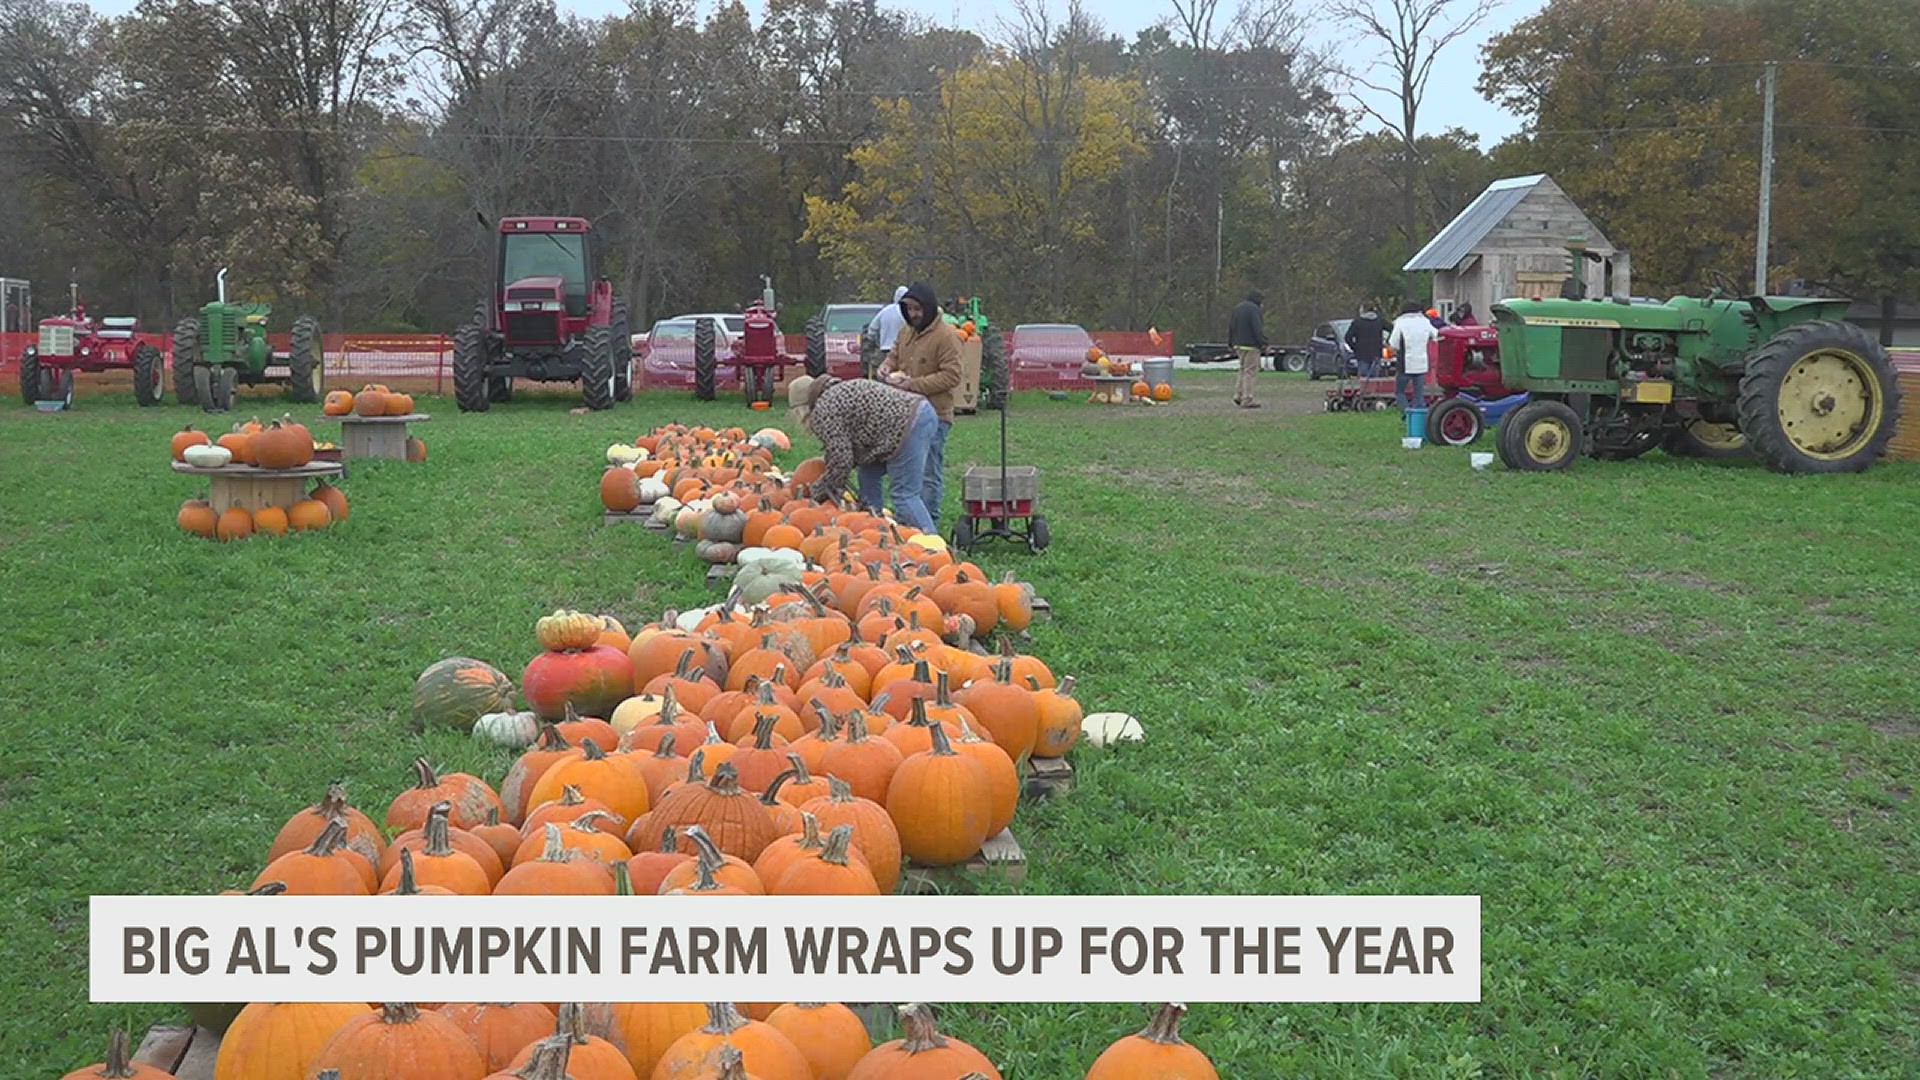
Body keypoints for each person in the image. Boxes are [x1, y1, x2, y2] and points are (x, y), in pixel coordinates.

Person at [787, 373, 941, 532]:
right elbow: (845, 447)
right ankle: (874, 525)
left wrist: (818, 491)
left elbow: (841, 461)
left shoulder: (823, 410)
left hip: (907, 425)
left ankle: (932, 545)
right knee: (868, 472)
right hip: (920, 412)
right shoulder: (838, 391)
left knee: (904, 494)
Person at [877, 282, 963, 529]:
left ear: (927, 307)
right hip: (905, 415)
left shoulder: (946, 337)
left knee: (928, 470)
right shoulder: (907, 331)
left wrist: (912, 384)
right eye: (908, 309)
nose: (913, 314)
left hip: (936, 414)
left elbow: (952, 376)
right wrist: (886, 367)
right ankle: (909, 520)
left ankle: (928, 522)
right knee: (907, 470)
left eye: (917, 309)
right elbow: (894, 356)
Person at [1389, 302, 1437, 411]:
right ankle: (1419, 418)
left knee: (1399, 392)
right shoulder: (1425, 321)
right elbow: (1436, 335)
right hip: (1422, 363)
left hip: (1406, 363)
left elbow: (1393, 343)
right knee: (1419, 394)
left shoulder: (1400, 322)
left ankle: (1407, 414)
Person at [1227, 290, 1268, 408]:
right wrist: (1264, 343)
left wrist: (1231, 342)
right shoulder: (1255, 310)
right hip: (1251, 345)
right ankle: (1247, 398)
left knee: (1242, 369)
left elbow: (1232, 326)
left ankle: (1238, 395)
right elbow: (1257, 328)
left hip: (1238, 344)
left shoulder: (1238, 308)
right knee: (1250, 372)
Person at [864, 285, 909, 376]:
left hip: (883, 350)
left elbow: (872, 328)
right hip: (902, 352)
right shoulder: (907, 313)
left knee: (881, 378)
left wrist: (873, 341)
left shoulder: (885, 311)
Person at [1344, 305, 1387, 377]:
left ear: (1363, 311)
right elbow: (1393, 329)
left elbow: (1348, 337)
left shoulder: (1357, 322)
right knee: (1375, 379)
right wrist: (1386, 341)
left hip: (1362, 353)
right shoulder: (1379, 321)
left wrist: (1355, 347)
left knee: (1364, 379)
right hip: (1376, 352)